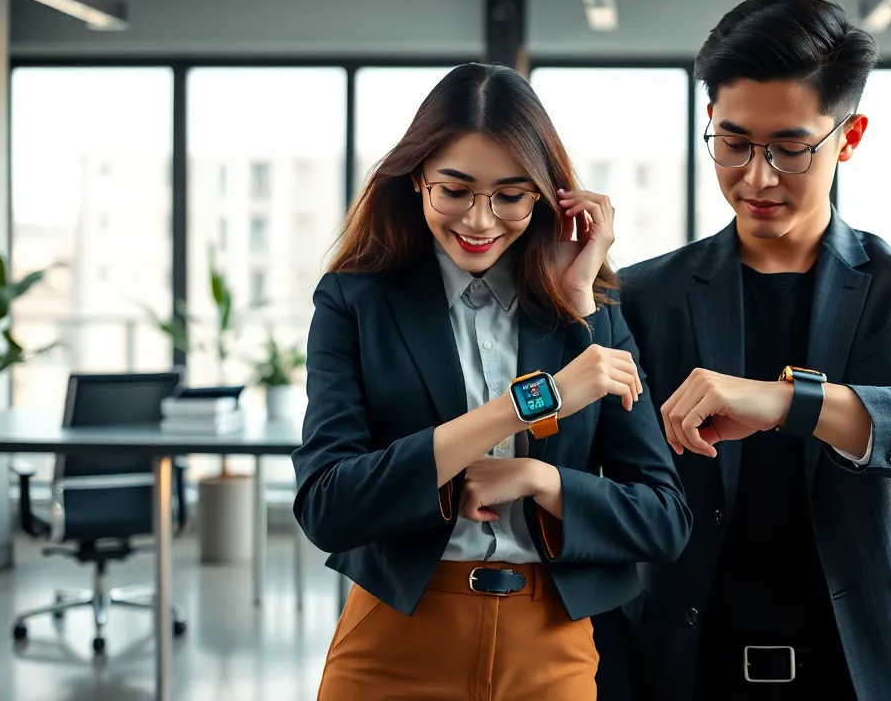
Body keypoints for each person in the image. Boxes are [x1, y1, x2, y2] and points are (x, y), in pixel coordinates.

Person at [594, 0, 891, 701]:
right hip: (682, 671)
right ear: (709, 122)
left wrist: (795, 403)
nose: (757, 176)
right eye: (733, 143)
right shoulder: (643, 297)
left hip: (872, 675)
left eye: (790, 148)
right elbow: (594, 499)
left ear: (848, 138)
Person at [292, 62, 693, 701]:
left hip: (549, 648)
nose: (480, 221)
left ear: (543, 197)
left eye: (509, 195)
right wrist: (525, 406)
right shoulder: (354, 302)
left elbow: (663, 519)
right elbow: (328, 506)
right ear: (417, 179)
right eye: (455, 191)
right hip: (394, 637)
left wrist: (541, 478)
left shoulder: (592, 313)